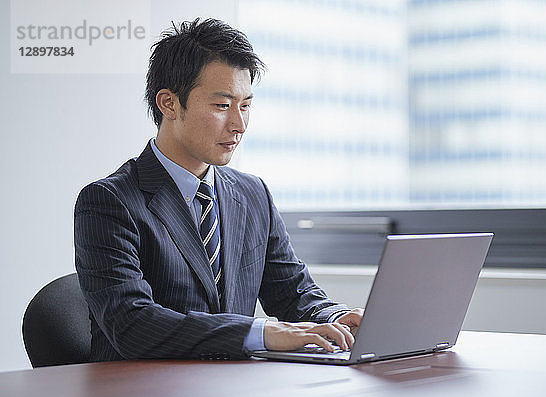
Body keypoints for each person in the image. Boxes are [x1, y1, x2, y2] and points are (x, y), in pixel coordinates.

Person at [74, 18, 363, 362]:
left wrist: (334, 318)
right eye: (222, 106)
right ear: (168, 104)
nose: (239, 125)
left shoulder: (253, 194)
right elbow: (133, 325)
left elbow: (291, 292)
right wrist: (261, 332)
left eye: (245, 106)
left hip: (234, 385)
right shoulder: (109, 202)